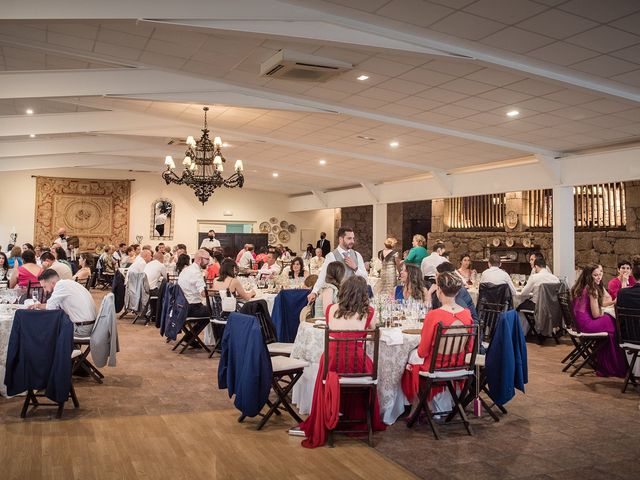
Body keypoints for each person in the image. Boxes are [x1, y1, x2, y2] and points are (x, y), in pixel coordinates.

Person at [299, 276, 385, 448]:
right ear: (363, 294)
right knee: (372, 368)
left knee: (326, 361)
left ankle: (332, 414)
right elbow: (376, 334)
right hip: (356, 364)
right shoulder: (369, 312)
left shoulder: (331, 310)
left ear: (343, 291)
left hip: (332, 363)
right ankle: (357, 416)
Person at [402, 271, 474, 415]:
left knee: (408, 357)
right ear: (458, 291)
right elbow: (469, 347)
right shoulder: (467, 314)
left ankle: (416, 403)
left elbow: (423, 351)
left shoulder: (434, 315)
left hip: (435, 366)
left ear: (439, 290)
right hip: (457, 364)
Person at [571, 264, 625, 377]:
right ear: (588, 276)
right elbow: (596, 315)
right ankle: (612, 364)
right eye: (595, 275)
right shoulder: (592, 289)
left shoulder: (582, 287)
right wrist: (604, 312)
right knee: (613, 322)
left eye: (600, 274)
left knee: (610, 320)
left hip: (579, 324)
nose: (598, 277)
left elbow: (596, 306)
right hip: (587, 325)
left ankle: (605, 360)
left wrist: (607, 306)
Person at [308, 227, 367, 303]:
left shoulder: (357, 255)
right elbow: (323, 276)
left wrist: (355, 268)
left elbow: (365, 277)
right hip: (339, 298)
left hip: (356, 297)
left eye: (353, 238)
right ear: (340, 239)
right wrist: (314, 291)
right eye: (349, 238)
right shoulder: (331, 256)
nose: (352, 241)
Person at [33, 269, 97, 336]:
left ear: (52, 283)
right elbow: (54, 306)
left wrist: (37, 306)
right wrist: (39, 306)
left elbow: (50, 307)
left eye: (44, 287)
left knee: (47, 332)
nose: (44, 290)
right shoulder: (68, 283)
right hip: (90, 325)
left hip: (82, 328)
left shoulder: (60, 286)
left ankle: (69, 346)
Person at [178, 249, 212, 318]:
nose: (208, 262)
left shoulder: (186, 269)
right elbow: (203, 293)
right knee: (216, 310)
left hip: (181, 306)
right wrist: (217, 291)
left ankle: (195, 329)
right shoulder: (196, 272)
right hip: (192, 308)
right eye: (207, 259)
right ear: (200, 259)